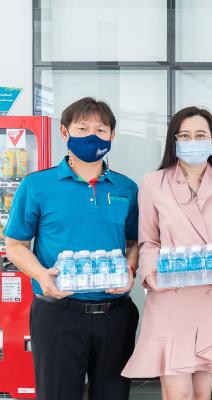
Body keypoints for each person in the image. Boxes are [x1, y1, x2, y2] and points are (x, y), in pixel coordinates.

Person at [5, 97, 139, 400]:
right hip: (58, 313)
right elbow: (15, 245)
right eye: (82, 128)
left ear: (112, 136)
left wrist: (130, 269)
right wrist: (41, 275)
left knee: (114, 394)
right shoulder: (37, 185)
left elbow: (134, 242)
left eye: (100, 130)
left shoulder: (126, 188)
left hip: (115, 314)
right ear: (65, 132)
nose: (92, 136)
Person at [121, 107, 212, 398]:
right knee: (177, 393)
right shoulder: (153, 182)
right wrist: (150, 274)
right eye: (185, 136)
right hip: (170, 294)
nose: (193, 142)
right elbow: (148, 241)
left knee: (203, 394)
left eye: (200, 135)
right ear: (175, 140)